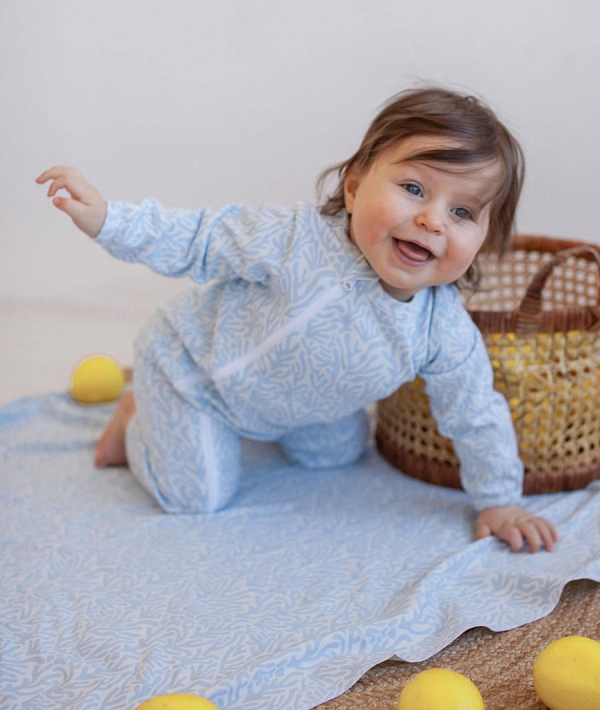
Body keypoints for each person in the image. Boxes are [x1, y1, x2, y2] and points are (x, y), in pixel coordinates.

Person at [36, 87, 559, 554]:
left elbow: (475, 413)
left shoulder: (442, 329)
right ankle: (138, 414)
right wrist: (109, 220)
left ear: (484, 241)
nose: (431, 220)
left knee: (337, 456)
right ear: (354, 187)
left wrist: (499, 500)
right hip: (193, 371)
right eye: (414, 189)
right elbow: (198, 238)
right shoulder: (293, 239)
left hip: (301, 409)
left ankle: (238, 422)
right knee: (195, 498)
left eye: (462, 213)